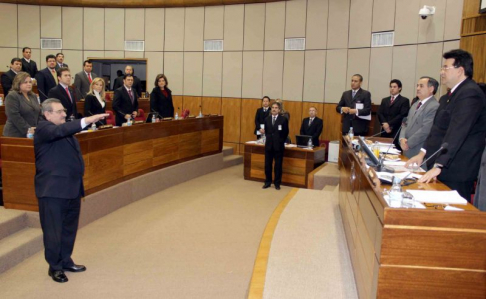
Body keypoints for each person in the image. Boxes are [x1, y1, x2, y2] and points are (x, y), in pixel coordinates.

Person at [35, 98, 108, 283]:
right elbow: (60, 130)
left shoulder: (65, 132)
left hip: (72, 189)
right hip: (52, 192)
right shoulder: (44, 128)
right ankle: (55, 267)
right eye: (59, 111)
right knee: (54, 231)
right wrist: (87, 121)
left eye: (64, 111)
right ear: (47, 114)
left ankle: (66, 260)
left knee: (69, 229)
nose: (64, 114)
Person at [406, 49, 486, 201]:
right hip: (442, 165)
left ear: (460, 70)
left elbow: (457, 132)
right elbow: (437, 130)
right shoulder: (446, 97)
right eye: (442, 68)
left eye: (446, 68)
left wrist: (439, 165)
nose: (441, 72)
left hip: (458, 168)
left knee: (453, 215)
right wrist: (422, 154)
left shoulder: (470, 94)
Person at [399, 77, 440, 161]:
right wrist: (402, 138)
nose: (417, 88)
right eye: (417, 86)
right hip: (406, 148)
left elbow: (426, 130)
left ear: (431, 89)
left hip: (418, 150)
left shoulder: (434, 106)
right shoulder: (415, 104)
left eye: (421, 86)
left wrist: (408, 143)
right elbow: (405, 123)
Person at [3, 72, 41, 137]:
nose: (29, 84)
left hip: (33, 132)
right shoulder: (12, 96)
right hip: (15, 134)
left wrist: (39, 127)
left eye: (30, 82)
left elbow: (39, 113)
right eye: (25, 82)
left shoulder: (33, 95)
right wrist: (28, 129)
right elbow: (14, 116)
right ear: (18, 83)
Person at [262, 102, 289, 190]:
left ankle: (277, 183)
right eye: (273, 107)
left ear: (279, 110)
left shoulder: (283, 119)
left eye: (276, 108)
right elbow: (266, 132)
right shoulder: (267, 119)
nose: (274, 109)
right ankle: (268, 182)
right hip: (269, 146)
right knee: (267, 165)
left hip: (279, 146)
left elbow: (286, 132)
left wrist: (280, 140)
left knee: (278, 165)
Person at [377, 79, 410, 148]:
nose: (392, 89)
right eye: (391, 87)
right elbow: (380, 113)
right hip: (384, 129)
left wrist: (389, 124)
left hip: (396, 129)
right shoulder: (384, 100)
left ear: (400, 88)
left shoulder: (404, 100)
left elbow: (402, 115)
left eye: (394, 87)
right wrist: (384, 124)